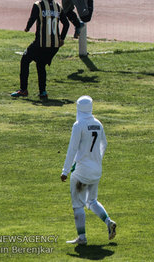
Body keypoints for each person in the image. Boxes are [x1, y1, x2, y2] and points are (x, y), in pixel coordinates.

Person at [61, 95, 117, 245]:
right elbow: (104, 144)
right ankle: (108, 222)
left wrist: (65, 170)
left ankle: (82, 237)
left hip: (81, 172)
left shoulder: (78, 125)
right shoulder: (98, 124)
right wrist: (97, 159)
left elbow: (72, 149)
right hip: (96, 170)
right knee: (91, 200)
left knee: (78, 204)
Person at [11, 0, 68, 101]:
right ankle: (43, 92)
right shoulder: (58, 7)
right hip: (54, 45)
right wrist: (61, 39)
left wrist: (27, 28)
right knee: (41, 65)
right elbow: (66, 24)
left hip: (41, 43)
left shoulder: (38, 5)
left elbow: (32, 18)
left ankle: (23, 90)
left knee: (25, 60)